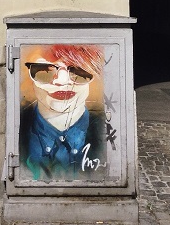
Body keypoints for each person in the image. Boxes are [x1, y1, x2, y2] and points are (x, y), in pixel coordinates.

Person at [20, 44, 106, 180]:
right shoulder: (16, 129)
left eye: (78, 71)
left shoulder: (107, 129)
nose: (62, 81)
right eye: (45, 71)